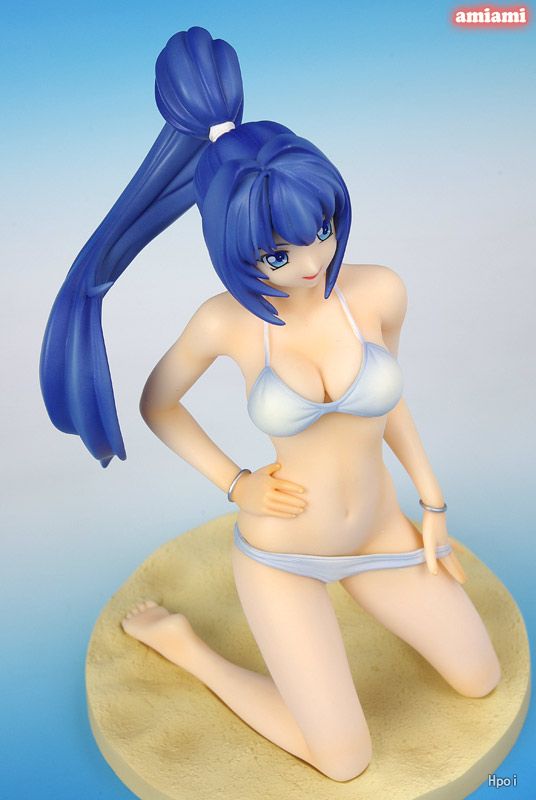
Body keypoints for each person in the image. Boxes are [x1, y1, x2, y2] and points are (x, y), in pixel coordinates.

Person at [40, 27, 501, 782]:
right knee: (344, 760)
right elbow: (159, 404)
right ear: (234, 247)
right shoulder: (226, 323)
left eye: (322, 231)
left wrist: (432, 501)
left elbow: (388, 404)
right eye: (278, 254)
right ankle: (189, 649)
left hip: (381, 532)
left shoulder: (377, 291)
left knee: (480, 677)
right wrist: (236, 482)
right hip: (283, 551)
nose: (312, 263)